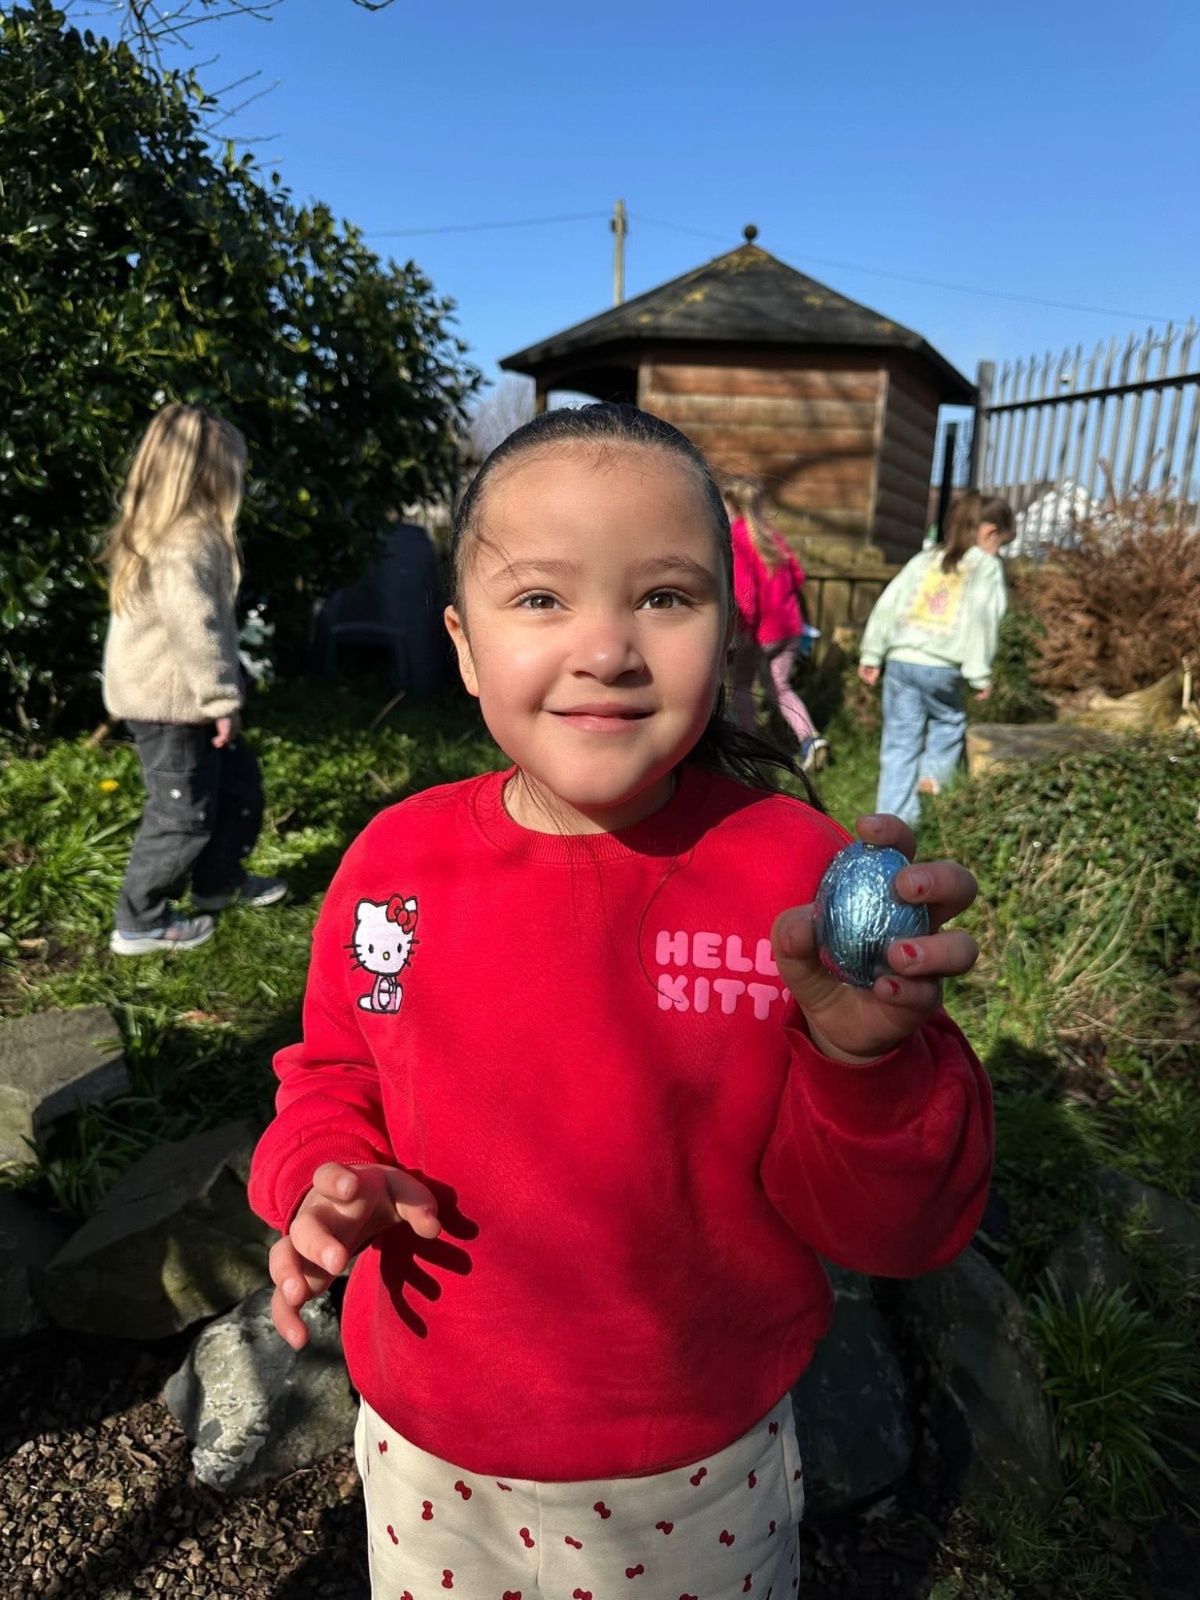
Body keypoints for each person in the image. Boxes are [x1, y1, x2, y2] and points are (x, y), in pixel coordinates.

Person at [249, 404, 993, 1600]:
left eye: (664, 596)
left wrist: (867, 1067)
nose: (607, 648)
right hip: (430, 1448)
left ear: (729, 631)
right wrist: (322, 1176)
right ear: (463, 643)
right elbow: (334, 1072)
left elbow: (899, 1232)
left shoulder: (793, 881)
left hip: (695, 1469)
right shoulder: (396, 865)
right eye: (542, 597)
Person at [101, 403, 286, 956]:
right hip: (172, 703)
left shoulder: (171, 533)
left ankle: (217, 882)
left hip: (185, 698)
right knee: (180, 813)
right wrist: (221, 699)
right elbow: (193, 626)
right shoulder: (185, 540)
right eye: (232, 468)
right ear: (208, 472)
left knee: (234, 786)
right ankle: (140, 920)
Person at [857, 492, 1016, 827]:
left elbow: (888, 604)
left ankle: (889, 821)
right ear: (989, 532)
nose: (998, 551)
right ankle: (931, 778)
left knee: (899, 741)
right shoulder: (986, 567)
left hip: (901, 662)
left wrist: (872, 653)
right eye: (1000, 543)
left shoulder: (924, 559)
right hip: (942, 667)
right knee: (949, 723)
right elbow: (983, 620)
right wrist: (979, 673)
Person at [724, 474, 829, 771]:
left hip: (758, 632)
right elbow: (797, 577)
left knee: (741, 686)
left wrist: (740, 632)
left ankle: (750, 749)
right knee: (781, 688)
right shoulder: (773, 537)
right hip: (789, 628)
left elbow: (745, 595)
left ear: (732, 506)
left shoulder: (736, 540)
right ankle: (810, 739)